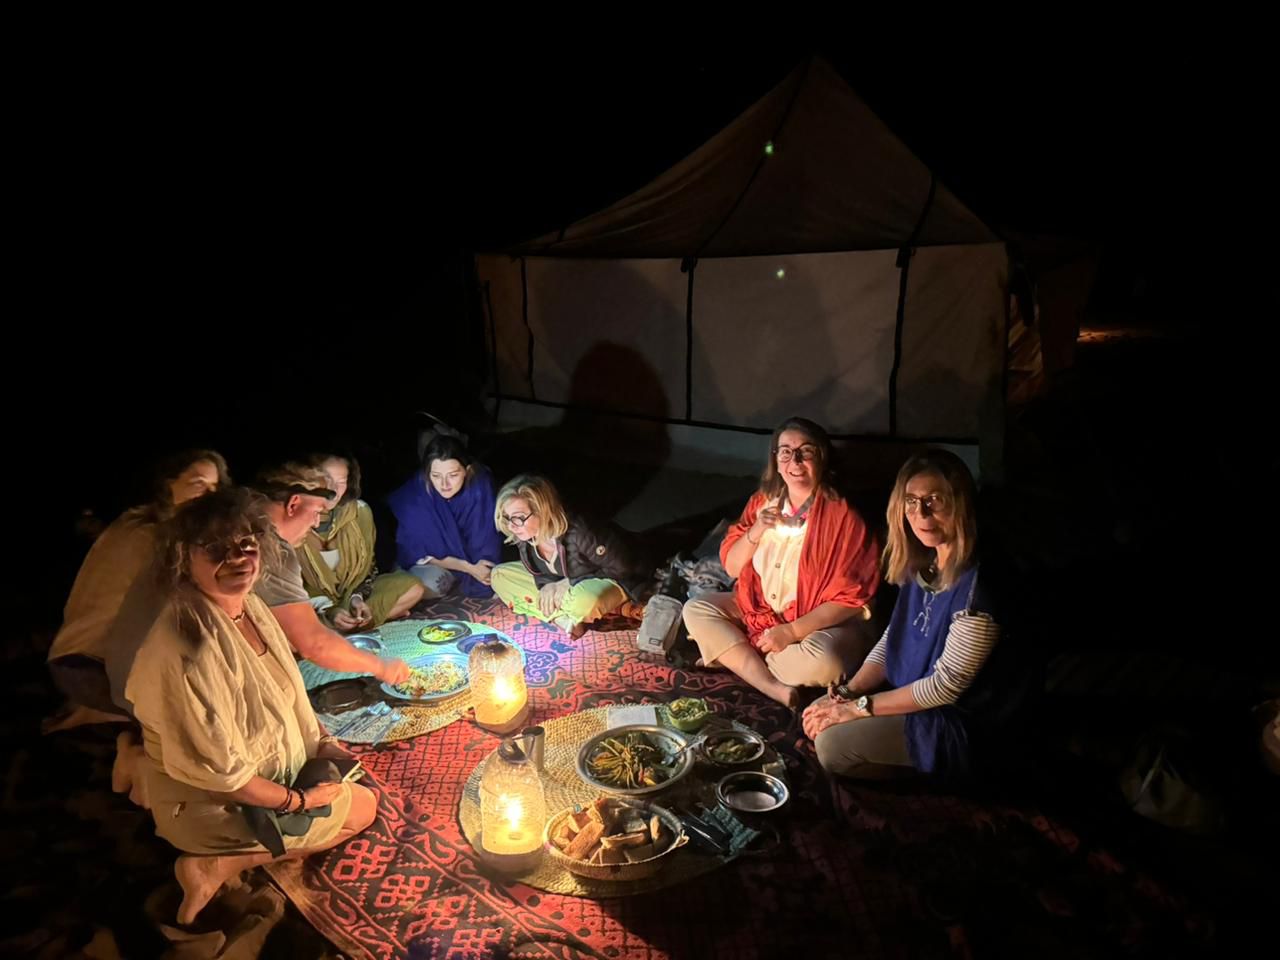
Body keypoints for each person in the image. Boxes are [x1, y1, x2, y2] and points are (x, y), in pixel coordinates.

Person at [125, 488, 377, 924]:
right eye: (218, 550)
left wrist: (324, 743)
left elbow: (288, 695)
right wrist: (299, 801)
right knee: (361, 810)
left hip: (260, 775)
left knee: (354, 792)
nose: (239, 559)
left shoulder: (252, 608)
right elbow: (228, 779)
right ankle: (217, 864)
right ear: (183, 558)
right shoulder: (185, 645)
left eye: (246, 544)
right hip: (211, 800)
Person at [802, 449, 1004, 779]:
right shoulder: (924, 565)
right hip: (910, 697)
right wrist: (847, 693)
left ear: (960, 503)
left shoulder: (980, 588)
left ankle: (938, 782)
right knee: (819, 712)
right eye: (911, 501)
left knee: (832, 745)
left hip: (952, 719)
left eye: (934, 500)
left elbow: (944, 686)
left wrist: (859, 709)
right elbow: (893, 639)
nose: (921, 513)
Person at [682, 418, 880, 707]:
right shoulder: (763, 502)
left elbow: (851, 600)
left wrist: (791, 632)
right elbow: (733, 568)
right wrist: (756, 530)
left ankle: (737, 658)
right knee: (696, 609)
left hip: (815, 624)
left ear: (822, 457)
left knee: (826, 662)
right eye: (785, 451)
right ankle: (772, 685)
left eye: (805, 451)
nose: (795, 461)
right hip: (761, 611)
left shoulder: (844, 519)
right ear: (775, 459)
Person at [47, 449, 230, 723]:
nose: (208, 496)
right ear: (168, 484)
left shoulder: (137, 522)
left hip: (73, 658)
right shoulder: (157, 538)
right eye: (198, 484)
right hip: (91, 667)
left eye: (214, 488)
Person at [253, 462, 409, 685]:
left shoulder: (243, 523)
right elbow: (314, 643)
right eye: (316, 512)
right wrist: (380, 666)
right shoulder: (271, 548)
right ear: (293, 504)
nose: (316, 522)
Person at [490, 474, 647, 638]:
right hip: (565, 582)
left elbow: (623, 566)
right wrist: (547, 586)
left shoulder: (580, 531)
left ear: (543, 511)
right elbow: (540, 574)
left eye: (519, 518)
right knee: (499, 575)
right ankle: (563, 619)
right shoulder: (525, 536)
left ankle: (598, 609)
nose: (511, 526)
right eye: (507, 517)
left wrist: (569, 583)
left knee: (582, 602)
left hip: (614, 578)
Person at [296, 453, 424, 630]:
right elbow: (292, 583)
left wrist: (356, 599)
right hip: (313, 605)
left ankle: (352, 623)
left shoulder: (360, 512)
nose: (333, 489)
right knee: (291, 627)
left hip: (351, 597)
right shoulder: (295, 518)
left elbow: (368, 568)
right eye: (326, 480)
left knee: (413, 587)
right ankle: (351, 626)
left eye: (341, 482)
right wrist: (330, 610)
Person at [387, 434, 502, 599]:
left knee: (497, 579)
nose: (444, 485)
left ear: (467, 471)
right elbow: (417, 551)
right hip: (432, 563)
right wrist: (469, 568)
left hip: (472, 561)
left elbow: (486, 541)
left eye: (453, 475)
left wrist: (482, 570)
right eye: (436, 476)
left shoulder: (479, 488)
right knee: (432, 584)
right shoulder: (417, 496)